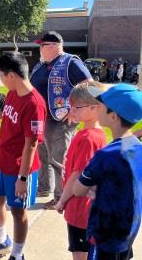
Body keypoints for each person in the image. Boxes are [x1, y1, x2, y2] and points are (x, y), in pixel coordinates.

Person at [0, 52, 46, 260]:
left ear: (11, 75)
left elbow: (32, 143)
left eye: (0, 75)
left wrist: (23, 178)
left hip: (20, 168)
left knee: (18, 211)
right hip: (2, 161)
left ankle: (17, 254)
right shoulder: (11, 93)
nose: (0, 79)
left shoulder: (35, 104)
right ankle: (1, 240)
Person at [73, 84, 142, 260]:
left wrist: (93, 187)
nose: (97, 107)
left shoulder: (105, 154)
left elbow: (78, 189)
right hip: (127, 232)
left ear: (113, 116)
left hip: (105, 235)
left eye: (102, 105)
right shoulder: (137, 147)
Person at [30, 31, 92, 209]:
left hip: (60, 119)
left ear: (53, 46)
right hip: (41, 118)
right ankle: (44, 188)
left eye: (42, 45)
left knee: (58, 159)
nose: (40, 49)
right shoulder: (42, 65)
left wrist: (74, 109)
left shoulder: (70, 62)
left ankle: (60, 197)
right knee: (42, 156)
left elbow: (88, 84)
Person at [54, 82, 107, 260]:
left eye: (76, 107)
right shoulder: (91, 134)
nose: (72, 110)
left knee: (80, 254)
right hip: (82, 207)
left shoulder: (89, 138)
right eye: (71, 106)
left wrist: (62, 200)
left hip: (80, 209)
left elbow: (78, 176)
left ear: (95, 108)